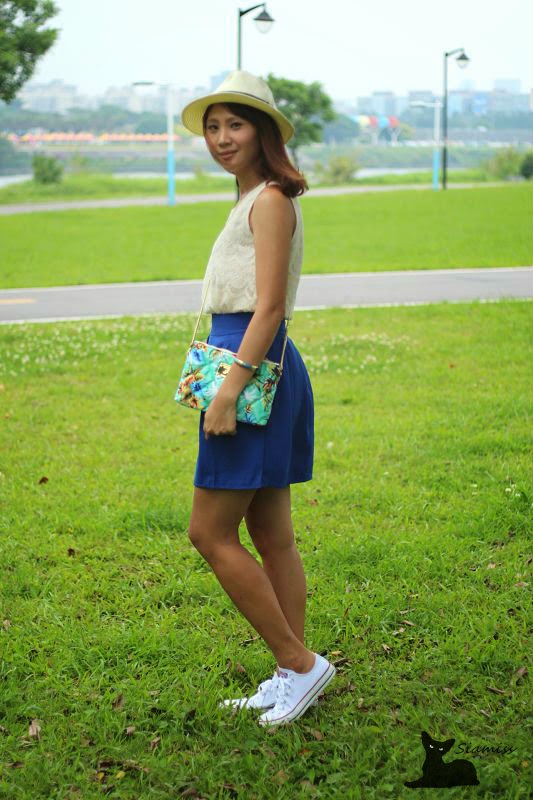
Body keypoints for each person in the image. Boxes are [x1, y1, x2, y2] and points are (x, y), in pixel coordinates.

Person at [181, 70, 335, 726]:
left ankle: (300, 663)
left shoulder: (270, 200)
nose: (221, 138)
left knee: (208, 532)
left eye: (235, 125)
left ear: (263, 132)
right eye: (213, 127)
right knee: (272, 534)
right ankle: (290, 673)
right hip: (252, 363)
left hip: (251, 367)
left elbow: (268, 307)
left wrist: (229, 390)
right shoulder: (250, 196)